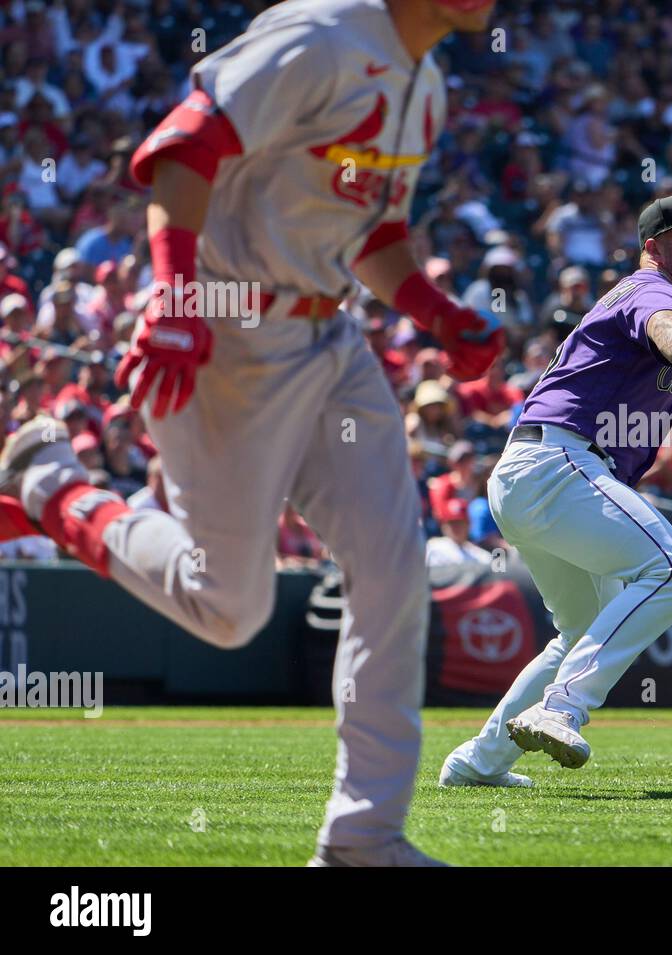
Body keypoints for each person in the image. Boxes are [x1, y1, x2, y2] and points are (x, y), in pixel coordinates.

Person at [0, 0, 506, 868]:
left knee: (394, 569)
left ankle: (363, 839)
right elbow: (182, 148)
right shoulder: (322, 35)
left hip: (329, 337)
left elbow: (374, 235)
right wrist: (175, 296)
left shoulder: (426, 83)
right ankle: (51, 485)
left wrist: (437, 312)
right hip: (228, 335)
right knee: (229, 609)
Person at [440, 194, 672, 782]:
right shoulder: (656, 292)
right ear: (652, 249)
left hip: (536, 471)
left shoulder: (636, 296)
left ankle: (479, 763)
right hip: (558, 466)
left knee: (578, 631)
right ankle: (564, 707)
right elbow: (667, 326)